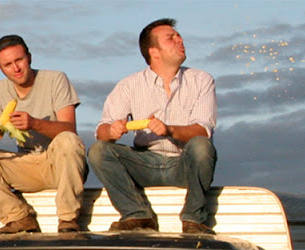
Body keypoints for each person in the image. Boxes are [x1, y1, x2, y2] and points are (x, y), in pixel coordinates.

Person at [88, 18, 217, 234]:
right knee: (99, 151)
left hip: (183, 163)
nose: (180, 40)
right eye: (171, 38)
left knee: (202, 146)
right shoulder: (129, 85)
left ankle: (194, 220)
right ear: (154, 52)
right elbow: (101, 131)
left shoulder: (201, 80)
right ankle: (137, 215)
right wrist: (111, 131)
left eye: (179, 36)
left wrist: (169, 130)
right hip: (144, 162)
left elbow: (204, 129)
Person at [0, 35, 88, 234]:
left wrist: (34, 123)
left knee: (68, 140)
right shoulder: (0, 89)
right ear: (1, 69)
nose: (16, 68)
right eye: (8, 64)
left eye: (19, 60)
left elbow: (70, 128)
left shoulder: (55, 79)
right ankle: (19, 217)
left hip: (58, 163)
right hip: (26, 164)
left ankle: (67, 219)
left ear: (29, 57)